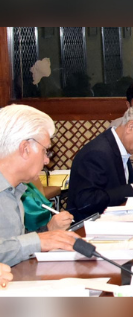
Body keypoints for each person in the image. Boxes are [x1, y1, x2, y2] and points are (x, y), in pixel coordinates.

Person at [69, 103, 133, 221]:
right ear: (131, 126)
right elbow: (86, 202)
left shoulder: (118, 146)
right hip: (90, 228)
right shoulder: (97, 153)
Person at [0, 105, 78, 266]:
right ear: (25, 149)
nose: (46, 161)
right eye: (45, 151)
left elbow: (13, 243)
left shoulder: (16, 189)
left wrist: (48, 231)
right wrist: (39, 241)